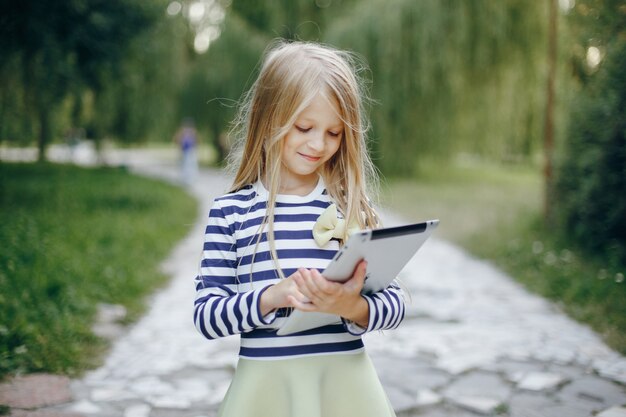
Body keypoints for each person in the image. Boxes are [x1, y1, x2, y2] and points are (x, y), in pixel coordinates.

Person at [193, 40, 404, 417]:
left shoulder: (351, 207)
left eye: (334, 133)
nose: (318, 144)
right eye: (304, 127)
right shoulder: (231, 213)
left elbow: (397, 302)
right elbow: (207, 315)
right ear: (267, 118)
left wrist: (353, 306)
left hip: (345, 386)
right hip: (267, 389)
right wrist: (270, 297)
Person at [173, 118, 198, 185]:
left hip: (190, 150)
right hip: (185, 151)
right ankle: (185, 179)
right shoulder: (183, 132)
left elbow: (195, 141)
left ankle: (190, 179)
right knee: (185, 165)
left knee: (189, 165)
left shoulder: (192, 132)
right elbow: (178, 141)